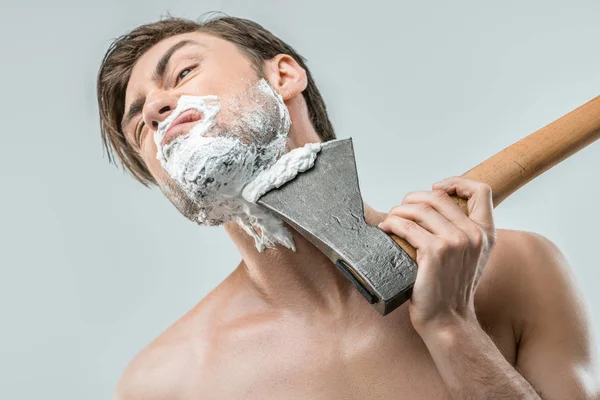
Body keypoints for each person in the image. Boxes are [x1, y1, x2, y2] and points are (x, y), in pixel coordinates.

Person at [97, 15, 599, 399]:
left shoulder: (518, 270)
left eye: (184, 71)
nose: (158, 109)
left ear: (285, 76)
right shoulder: (167, 383)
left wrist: (453, 327)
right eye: (139, 126)